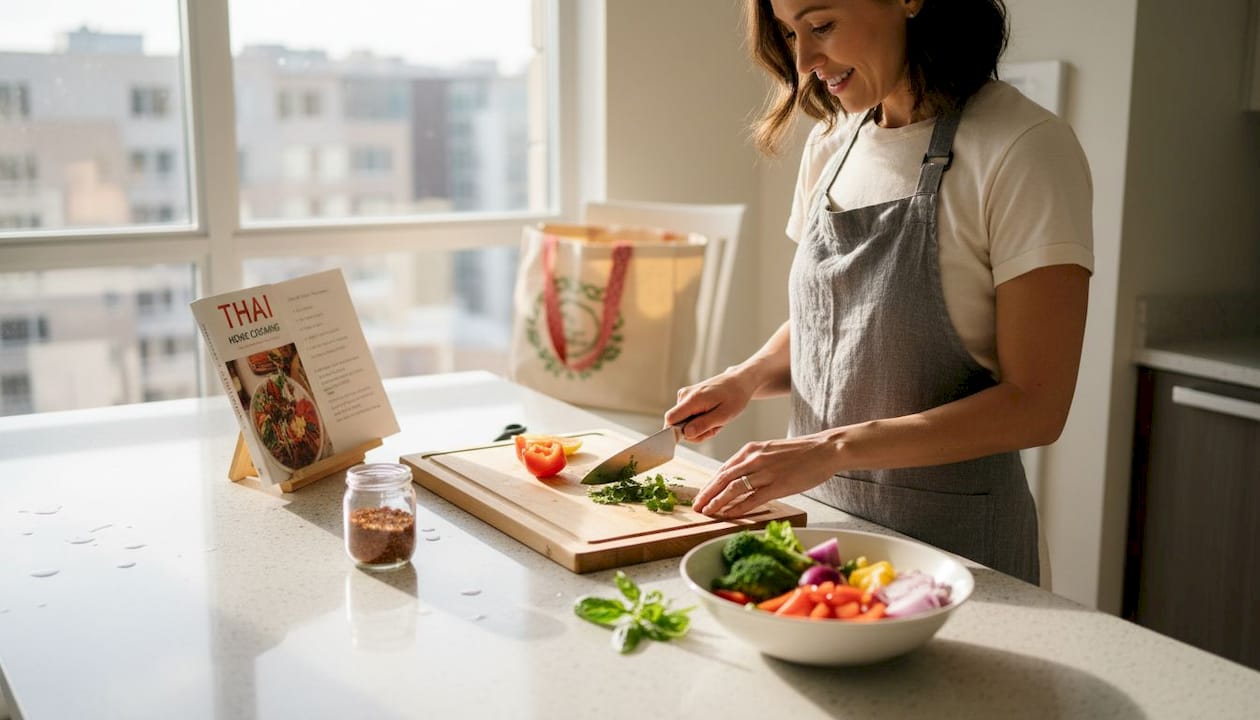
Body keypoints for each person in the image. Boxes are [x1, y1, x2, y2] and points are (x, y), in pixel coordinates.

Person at [664, 0, 1093, 585]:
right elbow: (836, 323)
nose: (805, 59)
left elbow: (1037, 407)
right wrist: (746, 377)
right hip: (821, 531)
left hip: (957, 554)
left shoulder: (1025, 147)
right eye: (791, 34)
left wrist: (833, 448)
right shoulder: (831, 145)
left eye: (821, 26)